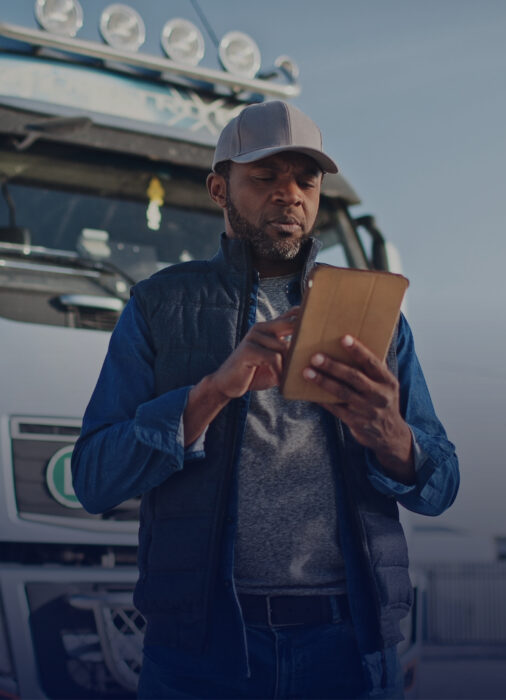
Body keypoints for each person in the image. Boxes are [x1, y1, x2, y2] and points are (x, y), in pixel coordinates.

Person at [71, 100, 459, 699]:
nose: (290, 195)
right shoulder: (157, 305)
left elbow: (442, 483)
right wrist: (211, 391)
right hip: (203, 653)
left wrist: (391, 436)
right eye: (266, 177)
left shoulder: (376, 315)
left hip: (350, 650)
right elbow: (93, 478)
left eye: (306, 180)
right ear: (218, 189)